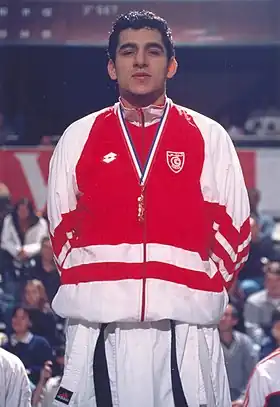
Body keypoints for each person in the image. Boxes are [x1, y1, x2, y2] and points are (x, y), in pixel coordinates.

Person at [47, 10, 251, 407]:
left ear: (171, 65)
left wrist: (189, 291)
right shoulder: (78, 136)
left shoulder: (208, 136)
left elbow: (236, 231)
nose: (140, 61)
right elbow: (60, 231)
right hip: (97, 329)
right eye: (128, 51)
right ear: (112, 66)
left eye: (152, 51)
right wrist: (104, 287)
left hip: (186, 332)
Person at [218, 304, 258, 406]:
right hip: (216, 397)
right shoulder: (209, 343)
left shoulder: (245, 342)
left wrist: (242, 399)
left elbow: (252, 373)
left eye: (226, 315)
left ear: (235, 320)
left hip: (241, 397)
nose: (221, 319)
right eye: (219, 315)